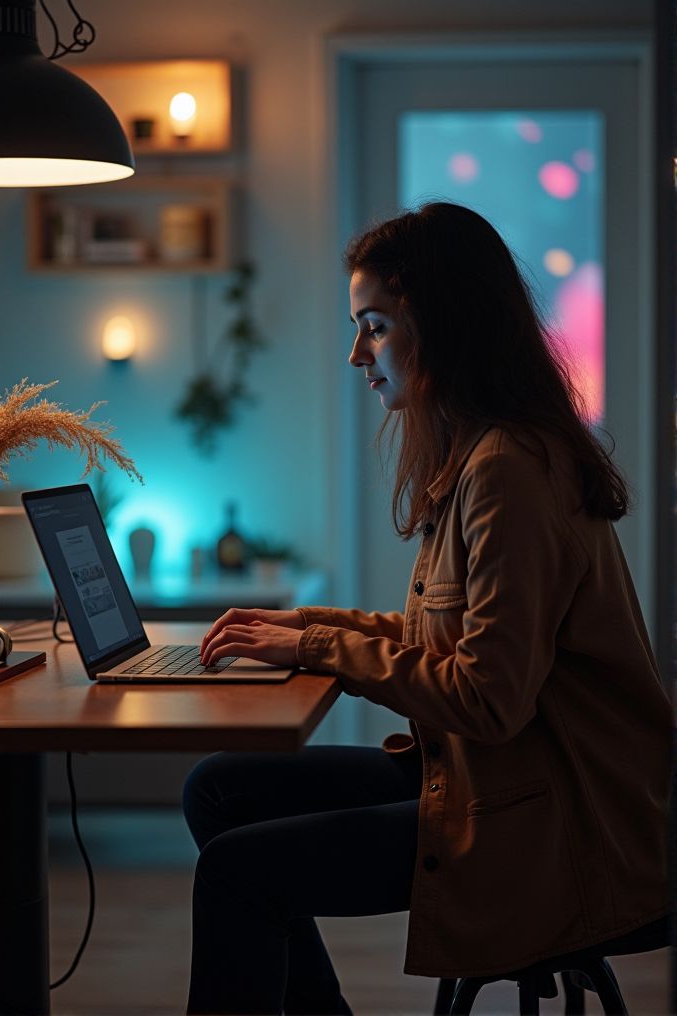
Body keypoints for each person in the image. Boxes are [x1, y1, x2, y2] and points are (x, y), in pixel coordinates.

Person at [182, 202, 671, 1015]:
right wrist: (307, 630)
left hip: (550, 822)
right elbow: (445, 640)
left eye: (373, 326)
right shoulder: (487, 451)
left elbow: (487, 696)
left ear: (439, 323)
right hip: (498, 780)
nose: (355, 354)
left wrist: (318, 651)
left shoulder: (506, 470)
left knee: (236, 873)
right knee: (220, 790)